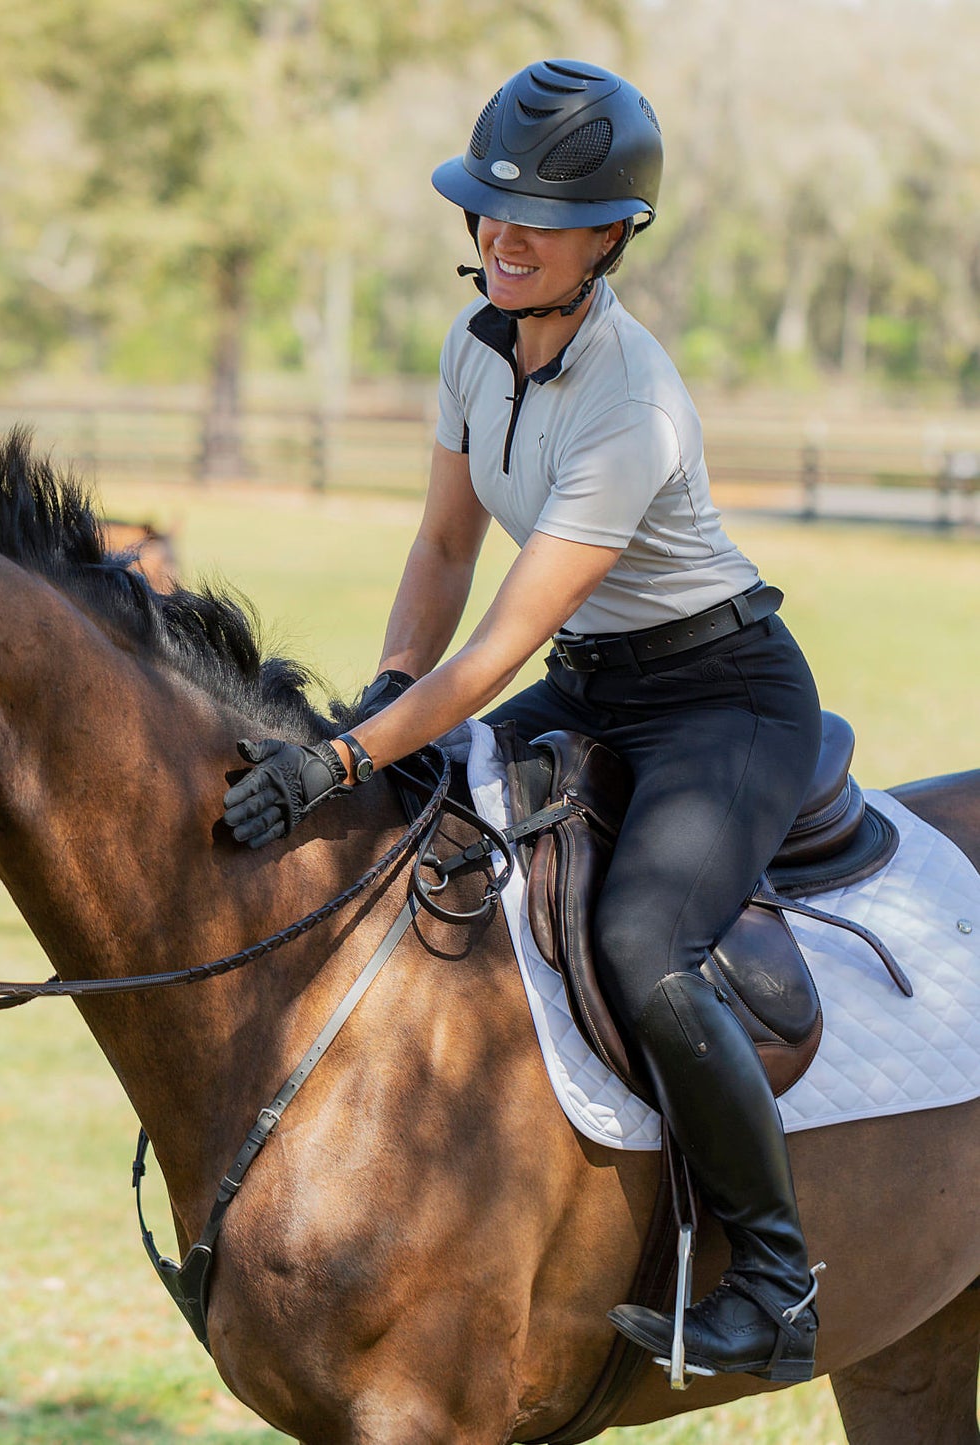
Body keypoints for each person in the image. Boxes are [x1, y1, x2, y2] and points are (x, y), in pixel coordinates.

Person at [221, 59, 825, 1384]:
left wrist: (336, 756)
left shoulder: (632, 397)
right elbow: (443, 549)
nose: (503, 237)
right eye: (487, 210)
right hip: (599, 676)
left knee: (640, 939)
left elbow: (497, 643)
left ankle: (776, 1279)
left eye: (539, 220)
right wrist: (384, 698)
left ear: (612, 234)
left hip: (720, 699)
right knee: (402, 823)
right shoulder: (473, 345)